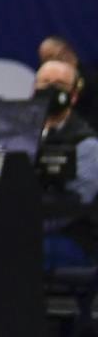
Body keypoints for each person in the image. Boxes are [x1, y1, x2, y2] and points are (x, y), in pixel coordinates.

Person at [35, 59, 98, 270]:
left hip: (69, 238)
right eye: (45, 84)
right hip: (25, 228)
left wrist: (24, 225)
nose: (51, 90)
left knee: (7, 249)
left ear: (74, 95)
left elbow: (75, 207)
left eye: (60, 85)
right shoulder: (20, 135)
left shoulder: (87, 144)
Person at [40, 36, 98, 130]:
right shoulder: (48, 89)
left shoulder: (92, 81)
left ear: (65, 53)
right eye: (44, 61)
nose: (47, 65)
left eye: (49, 58)